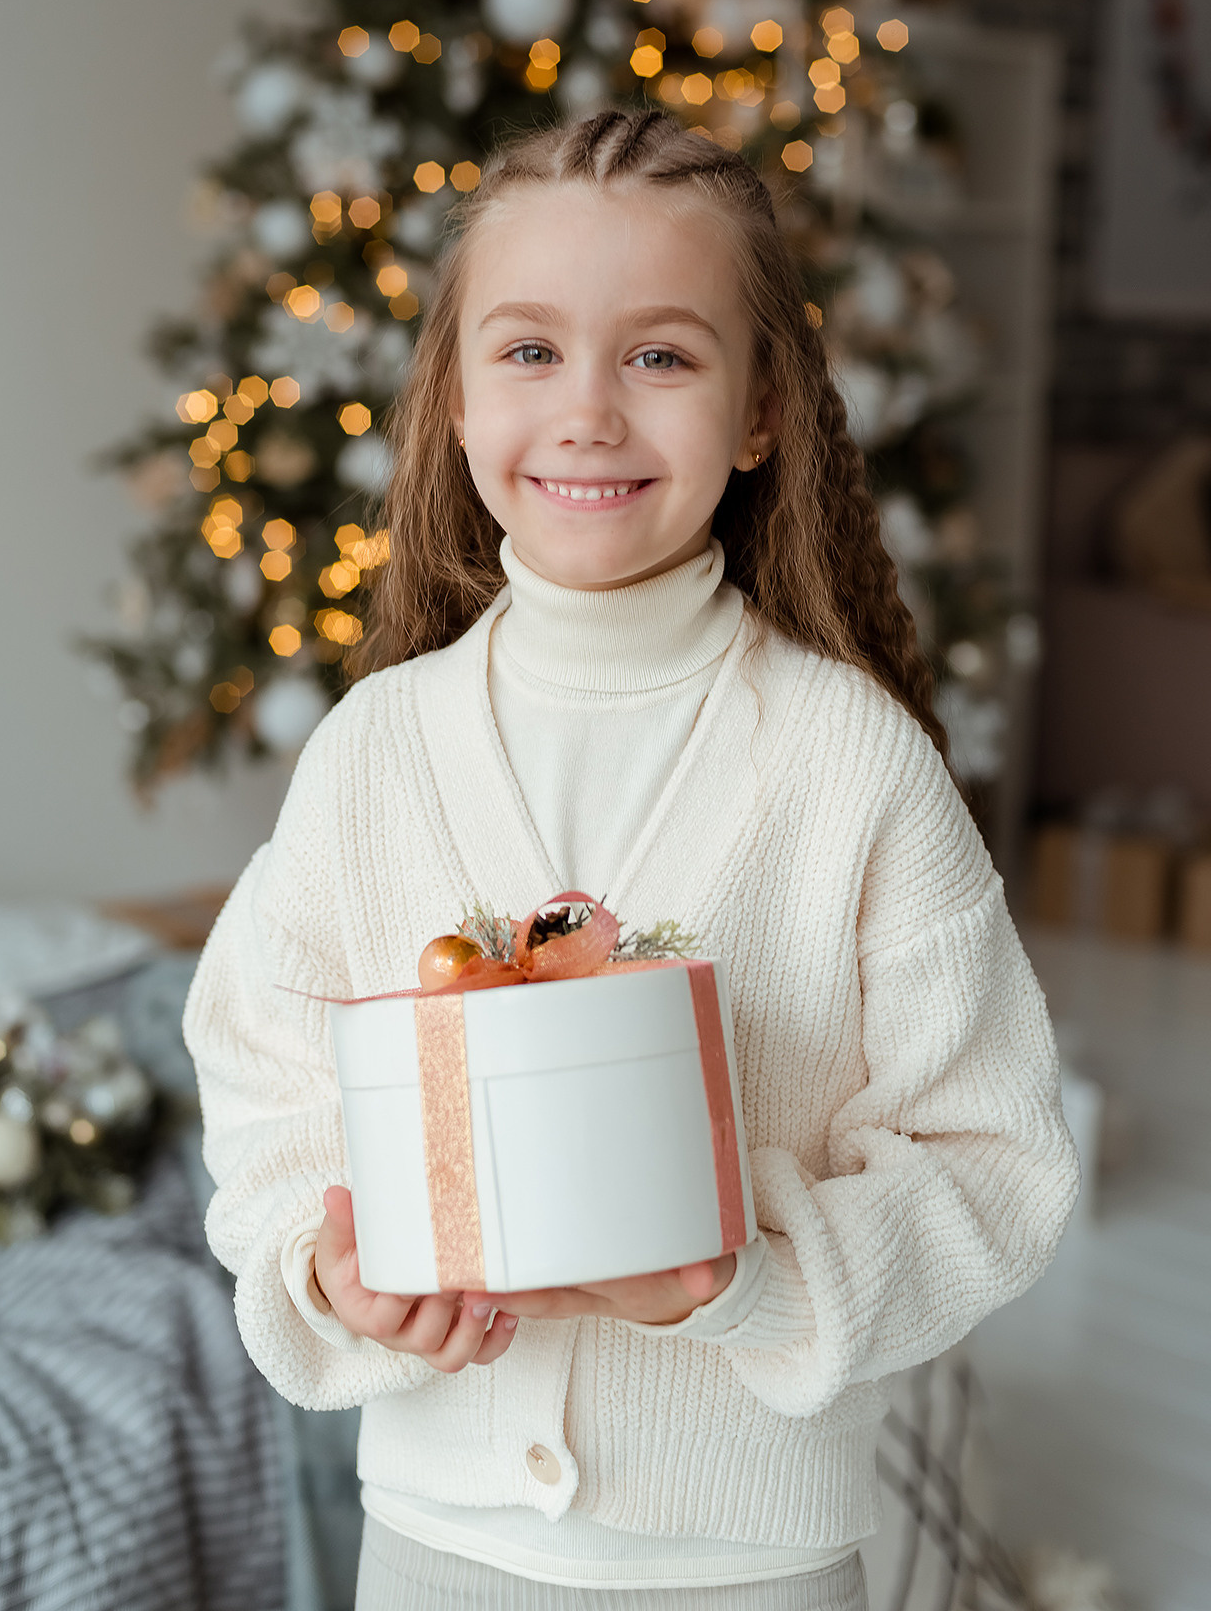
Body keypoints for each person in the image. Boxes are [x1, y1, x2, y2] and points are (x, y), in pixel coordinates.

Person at [183, 110, 1079, 1610]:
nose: (589, 412)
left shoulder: (851, 765)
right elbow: (266, 1090)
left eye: (659, 356)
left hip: (752, 1560)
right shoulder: (372, 754)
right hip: (434, 1542)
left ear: (760, 410)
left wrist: (742, 1273)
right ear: (456, 402)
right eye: (529, 351)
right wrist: (325, 1274)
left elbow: (993, 1163)